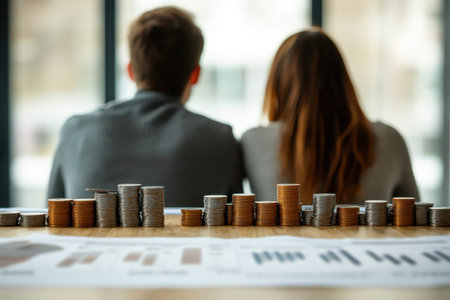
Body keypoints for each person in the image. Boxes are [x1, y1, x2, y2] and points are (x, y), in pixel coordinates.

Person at [47, 6, 243, 206]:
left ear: (130, 70)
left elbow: (51, 217)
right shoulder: (221, 139)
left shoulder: (75, 130)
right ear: (196, 74)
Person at [242, 28, 420, 205]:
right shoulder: (389, 139)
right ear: (343, 81)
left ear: (277, 83)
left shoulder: (252, 141)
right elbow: (416, 219)